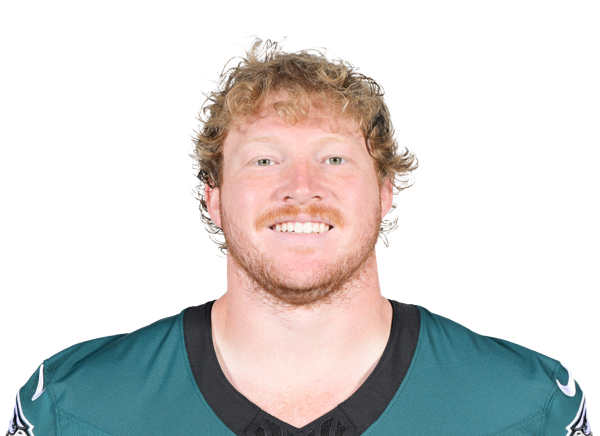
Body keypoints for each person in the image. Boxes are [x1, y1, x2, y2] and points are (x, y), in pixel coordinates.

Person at [7, 36, 591, 435]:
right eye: (265, 161)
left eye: (334, 158)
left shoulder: (525, 404)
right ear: (213, 198)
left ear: (386, 190)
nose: (302, 189)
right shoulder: (75, 404)